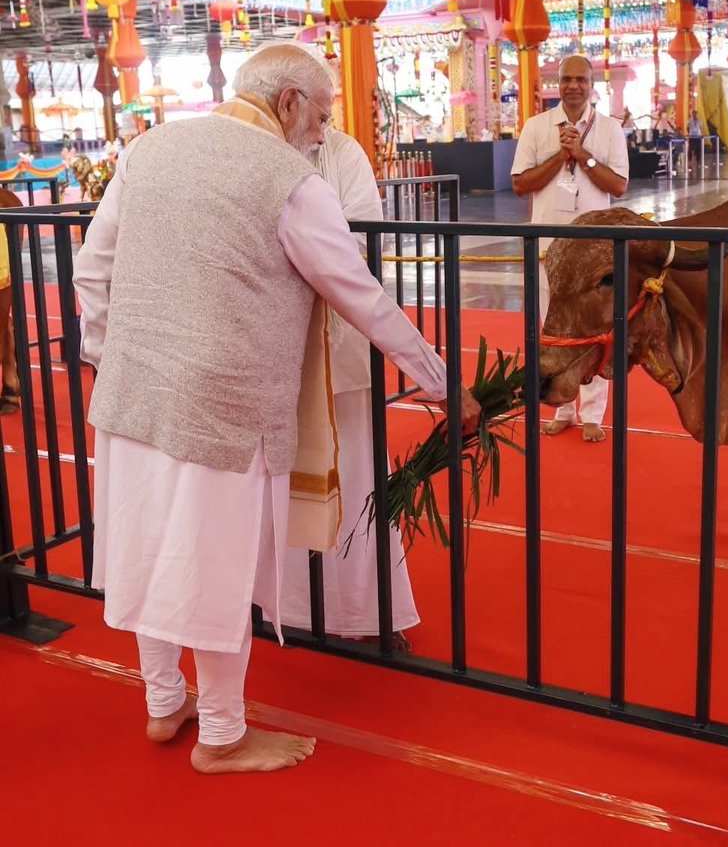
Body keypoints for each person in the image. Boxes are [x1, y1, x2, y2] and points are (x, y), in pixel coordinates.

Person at [73, 44, 480, 776]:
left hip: (132, 393)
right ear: (289, 102)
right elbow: (360, 294)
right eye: (321, 117)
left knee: (149, 545)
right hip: (226, 409)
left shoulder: (149, 147)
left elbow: (90, 265)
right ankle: (222, 733)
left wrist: (110, 354)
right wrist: (441, 380)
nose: (324, 135)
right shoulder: (291, 181)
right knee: (214, 564)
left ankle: (165, 700)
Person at [276, 127, 419, 652]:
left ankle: (364, 611)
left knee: (356, 474)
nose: (322, 121)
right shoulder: (249, 145)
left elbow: (357, 243)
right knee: (270, 483)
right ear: (288, 101)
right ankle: (281, 604)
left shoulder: (343, 152)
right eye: (316, 108)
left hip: (337, 338)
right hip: (266, 350)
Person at [511, 55, 629, 442]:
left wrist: (583, 156)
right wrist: (560, 156)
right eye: (566, 79)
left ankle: (594, 413)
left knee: (596, 332)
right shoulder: (537, 126)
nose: (573, 85)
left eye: (581, 79)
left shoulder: (610, 129)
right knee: (552, 330)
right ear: (557, 84)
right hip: (549, 249)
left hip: (594, 256)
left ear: (593, 83)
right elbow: (520, 183)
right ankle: (562, 407)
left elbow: (618, 186)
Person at [687, 109, 703, 176]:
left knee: (698, 149)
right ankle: (690, 161)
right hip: (692, 136)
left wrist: (699, 133)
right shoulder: (689, 121)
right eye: (693, 113)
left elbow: (700, 127)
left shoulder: (699, 121)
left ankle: (698, 162)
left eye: (695, 113)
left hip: (698, 136)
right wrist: (690, 133)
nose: (694, 114)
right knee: (690, 149)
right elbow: (687, 128)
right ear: (692, 114)